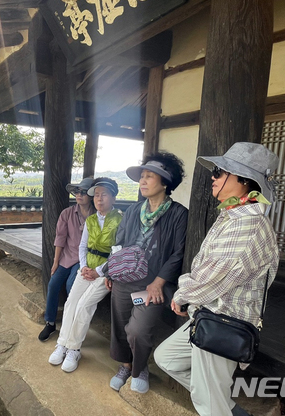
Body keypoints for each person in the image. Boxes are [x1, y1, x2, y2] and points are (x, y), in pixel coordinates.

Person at [154, 142, 280, 416]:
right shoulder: (234, 214)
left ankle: (219, 407)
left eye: (221, 172)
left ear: (245, 181)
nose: (213, 176)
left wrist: (182, 294)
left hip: (225, 320)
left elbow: (215, 278)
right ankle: (225, 406)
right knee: (167, 359)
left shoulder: (249, 222)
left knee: (208, 405)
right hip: (209, 313)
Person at [106, 152, 188, 394]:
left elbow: (179, 252)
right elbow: (118, 243)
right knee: (120, 326)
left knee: (138, 329)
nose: (142, 181)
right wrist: (112, 272)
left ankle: (140, 368)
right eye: (142, 177)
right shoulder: (133, 211)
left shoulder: (178, 214)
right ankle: (125, 365)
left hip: (151, 285)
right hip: (123, 280)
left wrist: (159, 282)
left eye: (149, 177)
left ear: (165, 182)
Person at [48, 177, 122, 373]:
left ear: (114, 198)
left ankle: (74, 349)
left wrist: (99, 271)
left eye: (104, 195)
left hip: (105, 273)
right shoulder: (90, 220)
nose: (99, 199)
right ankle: (62, 344)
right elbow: (83, 246)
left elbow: (118, 251)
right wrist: (83, 267)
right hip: (87, 268)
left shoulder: (120, 220)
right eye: (96, 195)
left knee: (84, 305)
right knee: (72, 302)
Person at [39, 177, 96, 342]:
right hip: (66, 256)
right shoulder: (67, 213)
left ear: (91, 195)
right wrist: (56, 262)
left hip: (84, 259)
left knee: (72, 285)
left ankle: (70, 322)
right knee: (53, 283)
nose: (79, 195)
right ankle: (50, 322)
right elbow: (60, 239)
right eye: (77, 191)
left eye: (84, 192)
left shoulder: (96, 215)